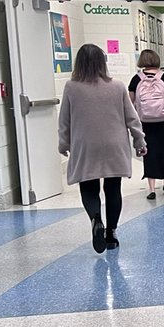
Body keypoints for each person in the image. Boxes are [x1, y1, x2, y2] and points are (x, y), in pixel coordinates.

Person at [58, 43, 147, 253]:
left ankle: (96, 220)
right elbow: (131, 118)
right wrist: (139, 141)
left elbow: (65, 120)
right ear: (102, 62)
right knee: (113, 189)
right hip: (114, 145)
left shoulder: (71, 87)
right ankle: (111, 234)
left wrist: (63, 143)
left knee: (89, 188)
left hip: (86, 145)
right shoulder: (117, 86)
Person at [128, 49, 164, 200]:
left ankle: (151, 189)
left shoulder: (136, 80)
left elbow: (130, 103)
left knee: (149, 151)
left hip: (145, 122)